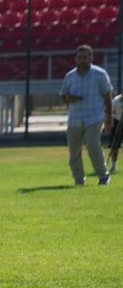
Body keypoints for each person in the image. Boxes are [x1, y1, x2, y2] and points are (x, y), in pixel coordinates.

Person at [59, 45, 115, 186]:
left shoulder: (100, 74)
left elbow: (108, 96)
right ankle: (79, 180)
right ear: (75, 59)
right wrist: (69, 98)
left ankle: (103, 176)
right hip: (75, 119)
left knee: (92, 145)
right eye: (79, 57)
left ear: (91, 58)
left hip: (94, 117)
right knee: (74, 151)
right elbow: (63, 96)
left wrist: (109, 117)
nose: (82, 60)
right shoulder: (69, 76)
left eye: (85, 57)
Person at [109, 91, 122, 176]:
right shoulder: (116, 100)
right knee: (115, 145)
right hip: (117, 121)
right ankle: (114, 165)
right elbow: (112, 112)